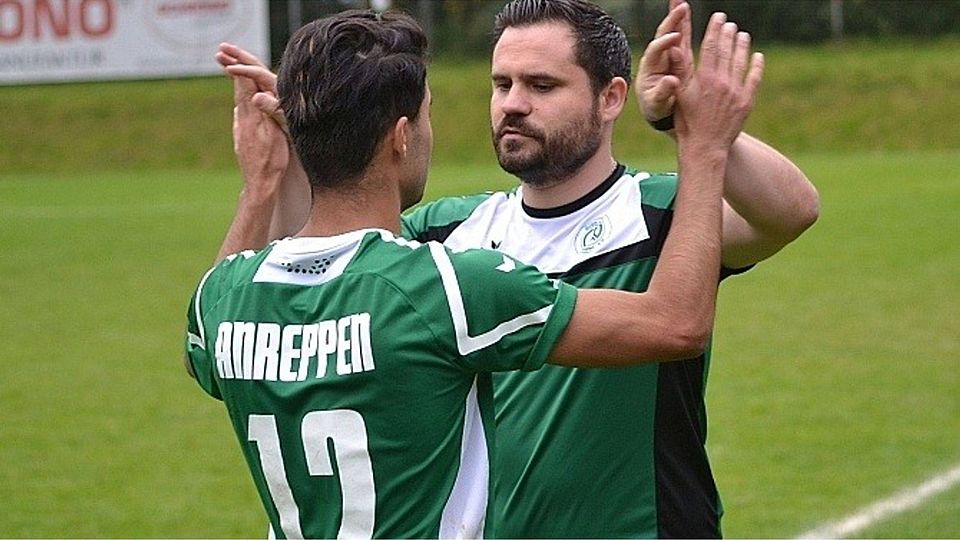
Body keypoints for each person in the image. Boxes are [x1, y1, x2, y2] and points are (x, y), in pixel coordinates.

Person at [216, 1, 818, 537]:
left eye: (542, 85)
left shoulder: (660, 210)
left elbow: (791, 211)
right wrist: (315, 133)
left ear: (610, 98)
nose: (513, 103)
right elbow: (305, 261)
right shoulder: (446, 233)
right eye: (501, 84)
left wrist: (689, 125)